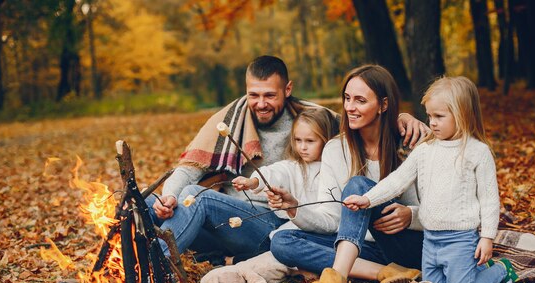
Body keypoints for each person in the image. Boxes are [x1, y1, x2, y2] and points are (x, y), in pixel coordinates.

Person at [151, 56, 427, 263]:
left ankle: (155, 266)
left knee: (196, 196)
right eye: (254, 95)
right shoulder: (228, 120)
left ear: (287, 89)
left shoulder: (311, 119)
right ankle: (133, 263)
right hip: (230, 220)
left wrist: (401, 120)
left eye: (270, 95)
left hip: (271, 219)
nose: (261, 103)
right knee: (148, 201)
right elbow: (188, 169)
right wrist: (169, 197)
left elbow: (361, 122)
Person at [268, 64, 428, 283]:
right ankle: (387, 273)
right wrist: (294, 207)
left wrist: (411, 215)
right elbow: (331, 219)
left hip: (407, 242)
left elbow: (442, 209)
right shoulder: (335, 149)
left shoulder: (410, 143)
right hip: (363, 249)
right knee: (282, 241)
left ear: (383, 105)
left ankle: (336, 280)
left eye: (360, 100)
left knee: (357, 185)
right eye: (347, 98)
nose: (350, 107)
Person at [344, 76, 518, 283]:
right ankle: (473, 274)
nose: (432, 122)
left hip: (460, 240)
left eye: (439, 116)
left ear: (462, 115)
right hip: (431, 240)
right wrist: (367, 200)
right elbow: (397, 180)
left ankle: (501, 270)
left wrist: (487, 237)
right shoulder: (425, 149)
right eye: (429, 116)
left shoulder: (477, 152)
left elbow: (489, 200)